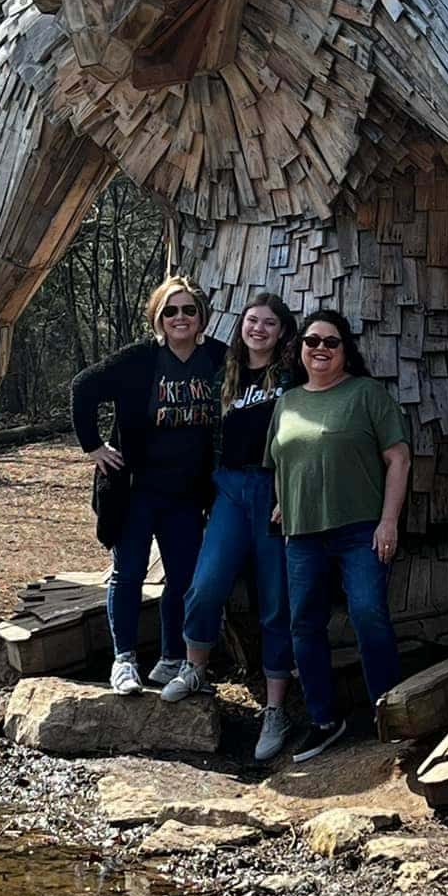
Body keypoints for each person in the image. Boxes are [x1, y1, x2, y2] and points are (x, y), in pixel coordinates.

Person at [265, 310, 411, 762]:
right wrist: (283, 500)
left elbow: (399, 459)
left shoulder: (366, 395)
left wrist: (389, 521)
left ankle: (389, 713)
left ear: (345, 350)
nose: (320, 349)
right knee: (304, 625)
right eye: (312, 342)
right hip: (302, 536)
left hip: (360, 531)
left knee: (369, 615)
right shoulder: (287, 403)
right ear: (300, 350)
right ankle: (324, 719)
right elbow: (279, 460)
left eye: (331, 342)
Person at [161, 293, 300, 762]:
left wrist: (290, 492)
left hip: (274, 493)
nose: (258, 328)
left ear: (282, 331)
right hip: (230, 490)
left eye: (269, 323)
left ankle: (276, 709)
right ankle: (195, 666)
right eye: (251, 320)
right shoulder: (225, 372)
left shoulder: (293, 375)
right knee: (205, 586)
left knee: (275, 601)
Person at [71, 278, 226, 695]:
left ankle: (171, 659)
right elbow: (83, 388)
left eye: (188, 310)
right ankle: (123, 662)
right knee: (129, 573)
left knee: (182, 578)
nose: (180, 318)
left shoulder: (217, 358)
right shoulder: (140, 360)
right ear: (158, 318)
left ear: (201, 318)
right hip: (136, 490)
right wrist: (94, 448)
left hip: (186, 494)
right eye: (170, 311)